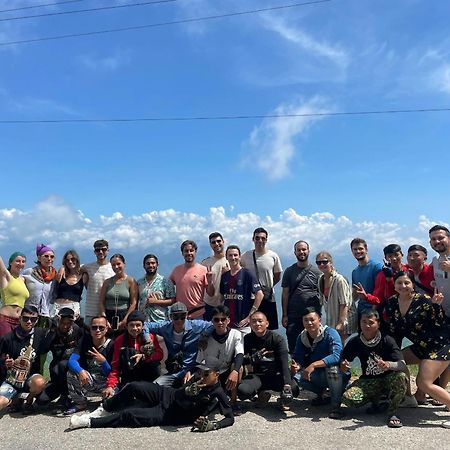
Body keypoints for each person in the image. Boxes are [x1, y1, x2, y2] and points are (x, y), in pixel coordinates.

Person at [69, 360, 234, 432]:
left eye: (206, 374)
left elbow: (230, 418)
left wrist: (213, 425)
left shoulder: (218, 393)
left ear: (216, 375)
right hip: (167, 394)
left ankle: (89, 422)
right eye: (200, 371)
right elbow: (178, 393)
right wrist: (187, 390)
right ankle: (104, 408)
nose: (201, 375)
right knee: (133, 386)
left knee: (129, 415)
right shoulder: (197, 378)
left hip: (172, 414)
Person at [381, 271, 450, 428]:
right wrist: (392, 351)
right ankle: (409, 398)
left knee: (424, 383)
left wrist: (436, 306)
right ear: (394, 284)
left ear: (413, 285)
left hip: (440, 345)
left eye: (407, 283)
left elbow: (440, 323)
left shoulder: (423, 300)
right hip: (422, 345)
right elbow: (394, 331)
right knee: (397, 362)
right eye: (399, 283)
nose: (403, 286)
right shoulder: (392, 302)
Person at [341, 309, 407, 428]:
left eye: (371, 322)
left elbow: (402, 364)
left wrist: (389, 365)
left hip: (388, 378)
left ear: (378, 324)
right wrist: (343, 364)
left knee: (401, 377)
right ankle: (377, 401)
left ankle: (392, 413)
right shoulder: (355, 341)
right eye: (364, 322)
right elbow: (344, 359)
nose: (367, 325)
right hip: (368, 380)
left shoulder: (387, 340)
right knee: (348, 398)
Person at [291, 308, 348, 419]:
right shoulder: (302, 337)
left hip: (338, 374)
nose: (309, 323)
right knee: (296, 376)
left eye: (312, 319)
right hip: (318, 375)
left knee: (332, 369)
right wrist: (296, 366)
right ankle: (323, 394)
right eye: (306, 320)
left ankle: (336, 406)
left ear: (319, 320)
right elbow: (298, 357)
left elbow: (336, 357)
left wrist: (313, 365)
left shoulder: (331, 333)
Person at [144, 302, 214, 387]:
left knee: (190, 390)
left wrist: (204, 336)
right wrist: (148, 340)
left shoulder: (196, 326)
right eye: (176, 316)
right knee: (154, 387)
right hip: (174, 371)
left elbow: (213, 325)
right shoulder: (164, 327)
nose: (179, 320)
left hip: (192, 370)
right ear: (170, 317)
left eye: (182, 316)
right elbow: (145, 325)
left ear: (187, 315)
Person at [237, 311, 297, 411]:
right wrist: (251, 359)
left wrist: (286, 385)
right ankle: (262, 395)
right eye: (254, 322)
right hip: (257, 376)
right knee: (243, 391)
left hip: (275, 375)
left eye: (260, 321)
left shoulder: (277, 339)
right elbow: (239, 360)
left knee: (293, 389)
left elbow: (284, 363)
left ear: (267, 323)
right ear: (250, 324)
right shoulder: (247, 339)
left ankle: (283, 399)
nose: (257, 324)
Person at [0, 305, 51, 414]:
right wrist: (5, 363)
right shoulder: (8, 338)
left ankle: (28, 401)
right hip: (11, 380)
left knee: (40, 382)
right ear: (19, 318)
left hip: (29, 379)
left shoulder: (40, 333)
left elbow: (59, 331)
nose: (29, 322)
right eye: (25, 318)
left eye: (33, 319)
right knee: (1, 402)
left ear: (37, 320)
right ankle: (14, 400)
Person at [104, 311, 163, 397]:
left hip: (146, 374)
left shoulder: (150, 337)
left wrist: (143, 356)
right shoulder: (119, 340)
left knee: (155, 364)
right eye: (132, 325)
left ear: (143, 326)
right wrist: (110, 385)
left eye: (138, 325)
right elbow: (115, 365)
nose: (135, 328)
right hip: (129, 374)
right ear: (126, 326)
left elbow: (159, 354)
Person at [196, 305, 244, 409]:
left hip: (227, 372)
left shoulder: (236, 334)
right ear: (212, 321)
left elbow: (239, 354)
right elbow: (200, 361)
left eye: (223, 319)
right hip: (211, 373)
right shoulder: (205, 339)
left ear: (228, 320)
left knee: (238, 368)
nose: (220, 322)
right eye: (217, 320)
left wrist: (235, 371)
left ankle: (233, 401)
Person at [35, 307, 84, 409]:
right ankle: (61, 392)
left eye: (68, 323)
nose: (65, 326)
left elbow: (83, 347)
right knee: (41, 400)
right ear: (58, 321)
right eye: (63, 323)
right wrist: (52, 331)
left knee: (62, 365)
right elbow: (42, 351)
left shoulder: (77, 330)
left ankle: (65, 396)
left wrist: (82, 322)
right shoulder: (52, 331)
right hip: (56, 374)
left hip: (72, 369)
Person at [65, 316, 114, 414]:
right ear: (90, 329)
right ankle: (80, 403)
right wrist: (80, 371)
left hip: (107, 383)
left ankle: (105, 402)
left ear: (107, 329)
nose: (98, 330)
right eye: (94, 327)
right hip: (89, 380)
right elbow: (72, 360)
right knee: (71, 373)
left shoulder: (112, 345)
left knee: (110, 404)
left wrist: (103, 362)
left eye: (101, 327)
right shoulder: (85, 341)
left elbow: (113, 372)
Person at [281, 240, 321, 353]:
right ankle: (296, 369)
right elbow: (285, 294)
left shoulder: (317, 272)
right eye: (299, 250)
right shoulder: (289, 271)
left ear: (308, 251)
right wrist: (284, 315)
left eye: (304, 249)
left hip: (312, 315)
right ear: (295, 253)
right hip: (293, 315)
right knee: (294, 346)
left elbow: (323, 292)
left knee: (314, 346)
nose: (301, 252)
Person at [241, 228, 282, 330]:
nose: (260, 241)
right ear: (253, 239)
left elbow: (277, 275)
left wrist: (267, 286)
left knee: (268, 328)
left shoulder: (273, 256)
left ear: (266, 240)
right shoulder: (246, 256)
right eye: (257, 238)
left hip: (268, 297)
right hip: (250, 298)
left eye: (263, 238)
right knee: (251, 328)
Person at [220, 245, 263, 334]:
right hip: (227, 325)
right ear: (226, 257)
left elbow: (260, 294)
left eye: (235, 255)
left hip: (243, 324)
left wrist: (249, 316)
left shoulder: (247, 274)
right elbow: (221, 297)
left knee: (243, 348)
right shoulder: (224, 276)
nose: (233, 258)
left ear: (239, 257)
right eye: (230, 255)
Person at [316, 251, 356, 342]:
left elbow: (344, 303)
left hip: (346, 319)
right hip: (332, 319)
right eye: (318, 262)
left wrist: (341, 323)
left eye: (325, 262)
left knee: (338, 345)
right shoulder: (321, 279)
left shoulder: (339, 280)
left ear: (331, 262)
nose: (322, 264)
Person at [170, 240, 214, 319]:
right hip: (181, 314)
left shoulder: (203, 270)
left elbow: (211, 293)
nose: (189, 253)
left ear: (195, 252)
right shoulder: (176, 270)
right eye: (186, 251)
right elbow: (167, 286)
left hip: (198, 313)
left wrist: (210, 281)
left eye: (191, 250)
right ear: (182, 253)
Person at [99, 254, 137, 332]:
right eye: (113, 265)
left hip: (124, 315)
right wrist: (104, 318)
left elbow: (133, 303)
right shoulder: (107, 282)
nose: (116, 267)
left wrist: (125, 320)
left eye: (118, 264)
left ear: (124, 264)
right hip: (108, 315)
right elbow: (101, 302)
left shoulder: (131, 281)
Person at [22, 244, 57, 328]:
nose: (49, 259)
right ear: (39, 258)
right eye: (46, 256)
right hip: (29, 314)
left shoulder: (55, 276)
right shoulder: (29, 272)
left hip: (46, 315)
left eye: (52, 257)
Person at [81, 240, 115, 326]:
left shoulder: (113, 268)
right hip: (91, 310)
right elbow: (72, 268)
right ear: (94, 252)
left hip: (108, 310)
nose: (100, 252)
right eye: (97, 250)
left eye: (103, 249)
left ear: (108, 250)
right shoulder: (87, 267)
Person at [137, 254, 175, 323]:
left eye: (153, 263)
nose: (151, 265)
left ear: (157, 265)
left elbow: (172, 300)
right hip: (144, 322)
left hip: (161, 321)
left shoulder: (165, 281)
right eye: (148, 264)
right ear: (144, 266)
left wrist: (156, 302)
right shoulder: (139, 283)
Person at [51, 250, 88, 322]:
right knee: (53, 329)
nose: (70, 262)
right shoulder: (62, 273)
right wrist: (62, 268)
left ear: (77, 260)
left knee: (71, 330)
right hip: (57, 307)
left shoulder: (83, 276)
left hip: (73, 307)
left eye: (73, 259)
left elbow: (90, 289)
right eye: (67, 260)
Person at [350, 238, 383, 316]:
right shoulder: (355, 272)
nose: (358, 251)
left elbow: (381, 293)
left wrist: (373, 313)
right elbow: (355, 294)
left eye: (360, 248)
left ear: (366, 249)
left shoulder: (377, 267)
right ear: (352, 251)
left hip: (375, 312)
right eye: (355, 249)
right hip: (361, 312)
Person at [201, 232, 229, 321]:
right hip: (209, 304)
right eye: (213, 242)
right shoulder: (205, 263)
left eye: (218, 241)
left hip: (227, 303)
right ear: (210, 245)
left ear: (223, 241)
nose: (216, 244)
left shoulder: (232, 260)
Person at [0, 252, 29, 337]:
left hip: (19, 322)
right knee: (4, 348)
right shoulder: (6, 276)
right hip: (5, 319)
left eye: (23, 261)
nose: (21, 264)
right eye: (17, 261)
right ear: (10, 262)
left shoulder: (23, 280)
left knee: (15, 349)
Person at [429, 225, 450, 317]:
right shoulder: (435, 260)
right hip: (445, 313)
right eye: (433, 239)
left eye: (441, 238)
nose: (437, 241)